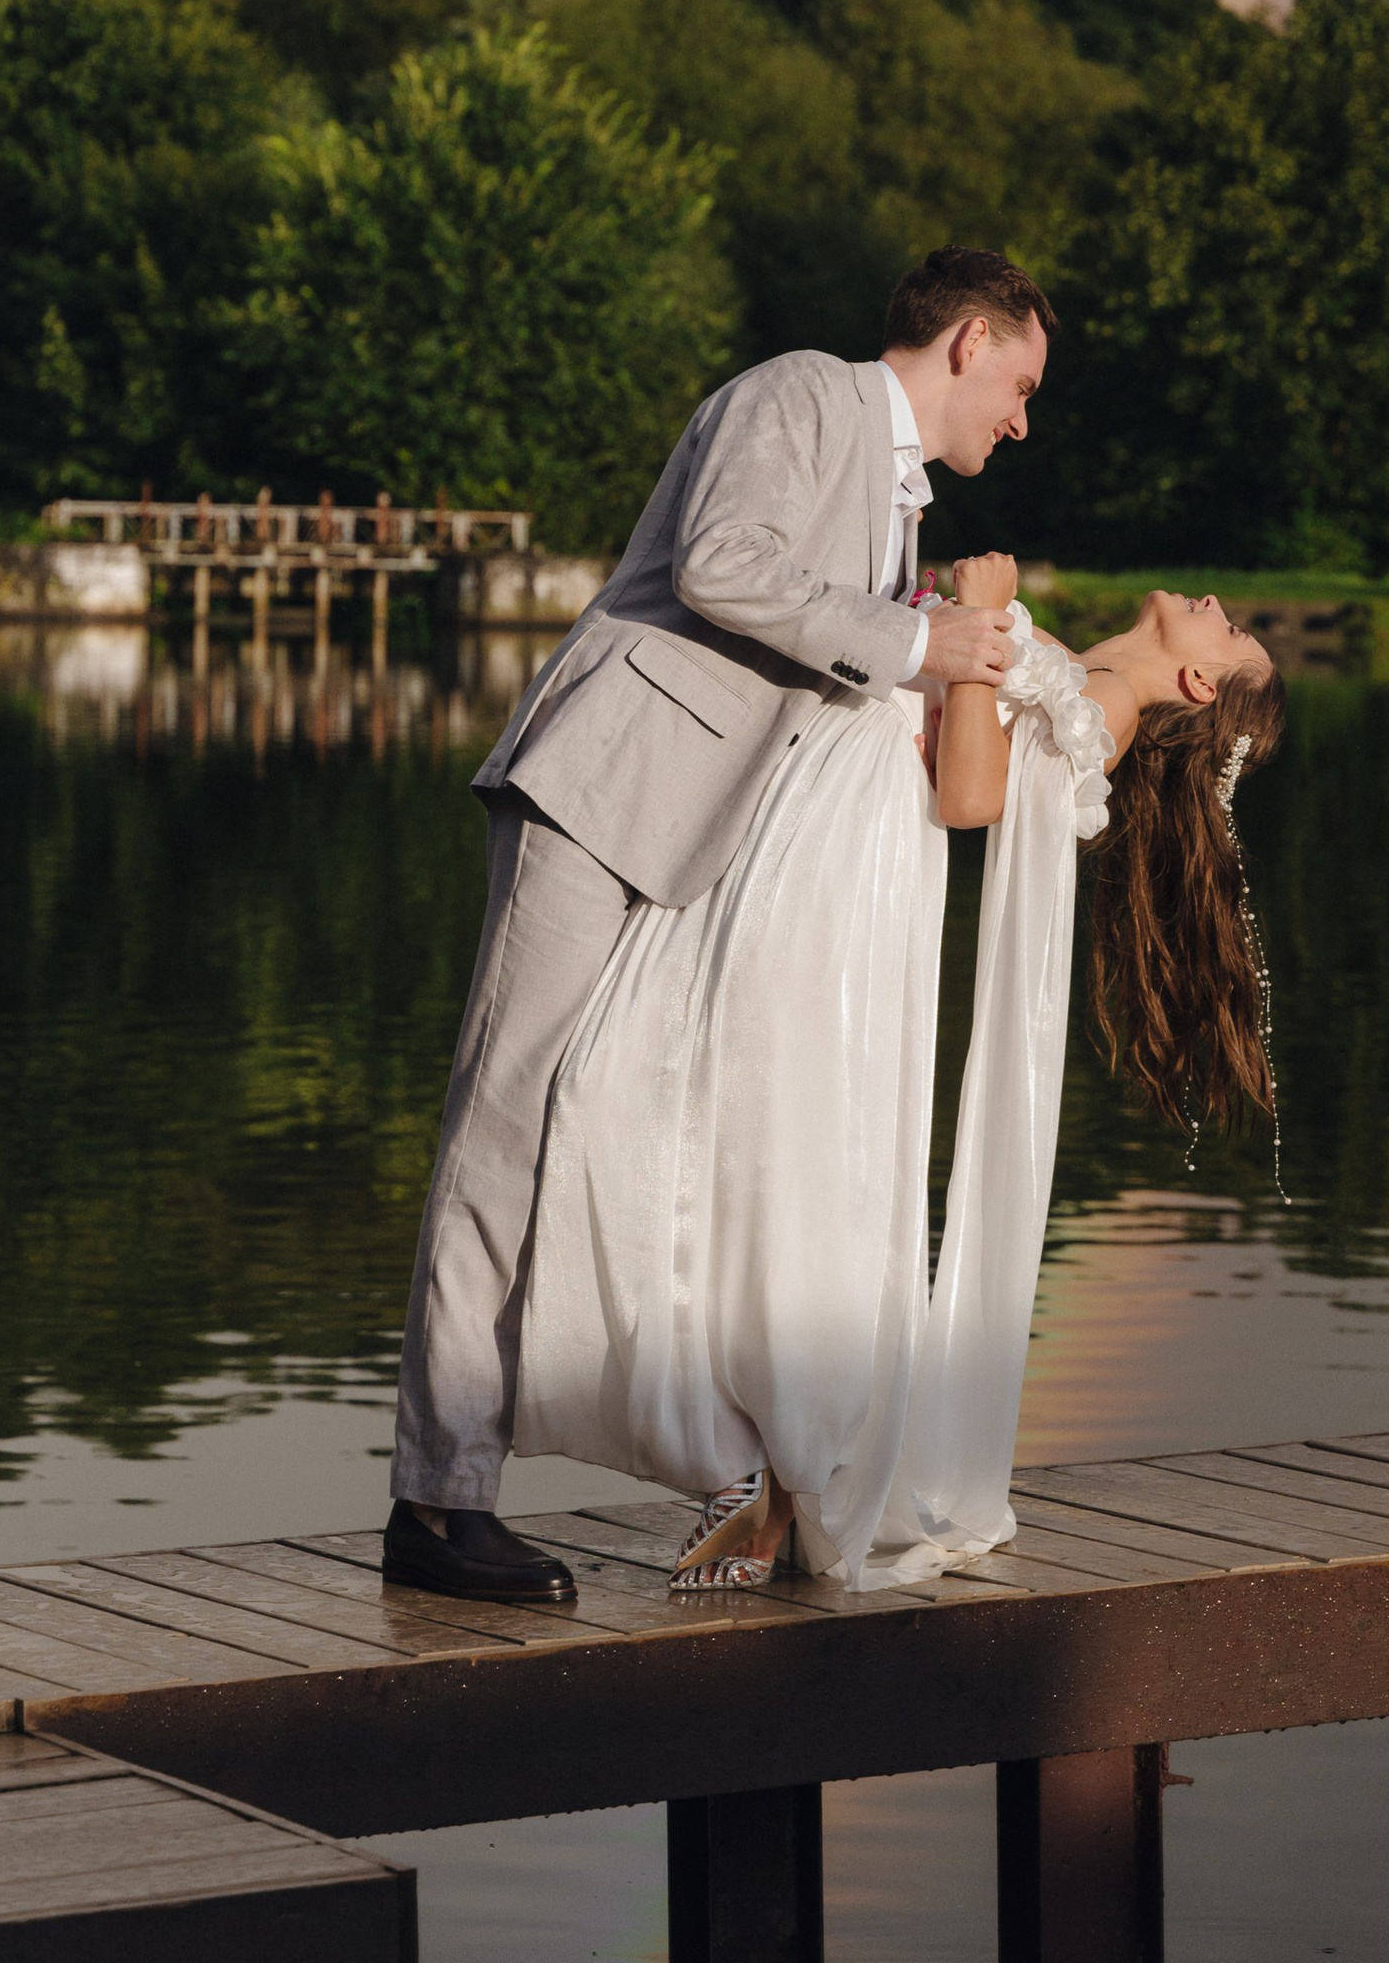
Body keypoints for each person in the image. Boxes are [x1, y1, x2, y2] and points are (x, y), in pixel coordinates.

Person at [382, 247, 1057, 1606]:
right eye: (1023, 385)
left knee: (609, 1135)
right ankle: (436, 1508)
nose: (1023, 420)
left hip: (702, 842)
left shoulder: (897, 503)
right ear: (970, 340)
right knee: (504, 1128)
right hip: (605, 789)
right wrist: (922, 647)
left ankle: (699, 1450)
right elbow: (721, 567)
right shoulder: (804, 396)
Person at [513, 559, 1281, 1589]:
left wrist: (966, 628)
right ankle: (756, 1457)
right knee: (712, 1113)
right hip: (815, 827)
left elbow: (968, 795)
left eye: (1230, 633)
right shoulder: (1082, 674)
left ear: (1196, 687)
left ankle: (763, 1458)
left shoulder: (1106, 699)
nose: (1218, 604)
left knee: (722, 1116)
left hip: (846, 864)